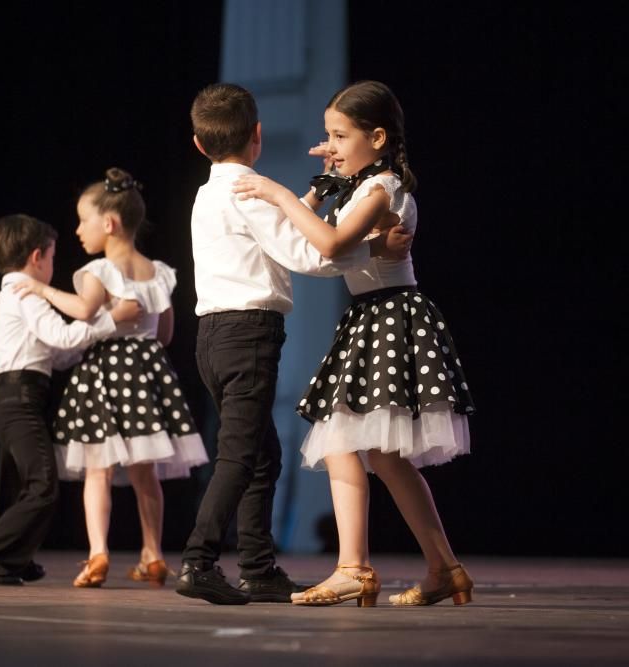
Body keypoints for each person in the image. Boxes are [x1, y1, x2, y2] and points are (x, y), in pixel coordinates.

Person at [233, 80, 476, 607]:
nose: (332, 145)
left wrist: (276, 190)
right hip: (374, 317)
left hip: (390, 317)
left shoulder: (381, 188)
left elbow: (327, 242)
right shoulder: (364, 185)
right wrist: (323, 182)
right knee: (383, 457)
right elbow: (305, 227)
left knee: (345, 441)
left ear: (379, 137)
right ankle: (443, 568)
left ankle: (354, 568)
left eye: (340, 135)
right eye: (327, 135)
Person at [176, 83, 413, 605]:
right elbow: (305, 254)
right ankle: (198, 560)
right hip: (248, 333)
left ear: (198, 144)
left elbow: (275, 231)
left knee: (263, 453)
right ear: (258, 135)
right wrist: (372, 248)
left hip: (213, 338)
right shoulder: (251, 188)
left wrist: (319, 190)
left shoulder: (208, 192)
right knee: (241, 454)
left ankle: (257, 567)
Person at [14, 168, 208, 588]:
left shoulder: (97, 272)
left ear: (109, 223)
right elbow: (166, 333)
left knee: (98, 469)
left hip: (104, 373)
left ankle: (98, 553)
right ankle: (153, 553)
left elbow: (84, 312)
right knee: (145, 472)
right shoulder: (158, 272)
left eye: (83, 220)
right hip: (146, 373)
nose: (78, 230)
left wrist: (42, 290)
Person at [0, 214, 140, 586]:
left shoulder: (11, 291)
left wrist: (95, 337)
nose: (53, 266)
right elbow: (62, 336)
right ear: (38, 256)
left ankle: (13, 559)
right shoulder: (25, 291)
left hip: (15, 396)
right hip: (18, 399)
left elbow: (56, 355)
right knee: (43, 486)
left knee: (19, 487)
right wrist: (111, 319)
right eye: (54, 257)